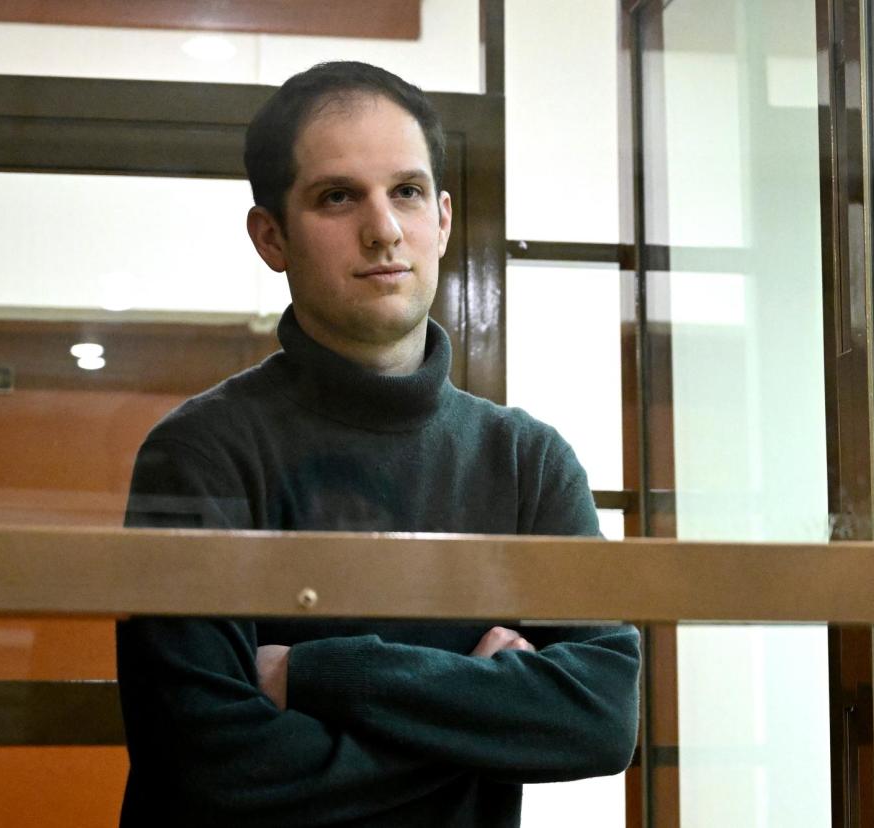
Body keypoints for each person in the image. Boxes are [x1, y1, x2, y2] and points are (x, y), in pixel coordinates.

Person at [116, 61, 640, 828]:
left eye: (406, 191)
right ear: (271, 237)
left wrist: (324, 674)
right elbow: (212, 766)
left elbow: (598, 718)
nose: (384, 228)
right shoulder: (201, 451)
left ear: (443, 220)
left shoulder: (526, 460)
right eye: (337, 196)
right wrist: (482, 716)